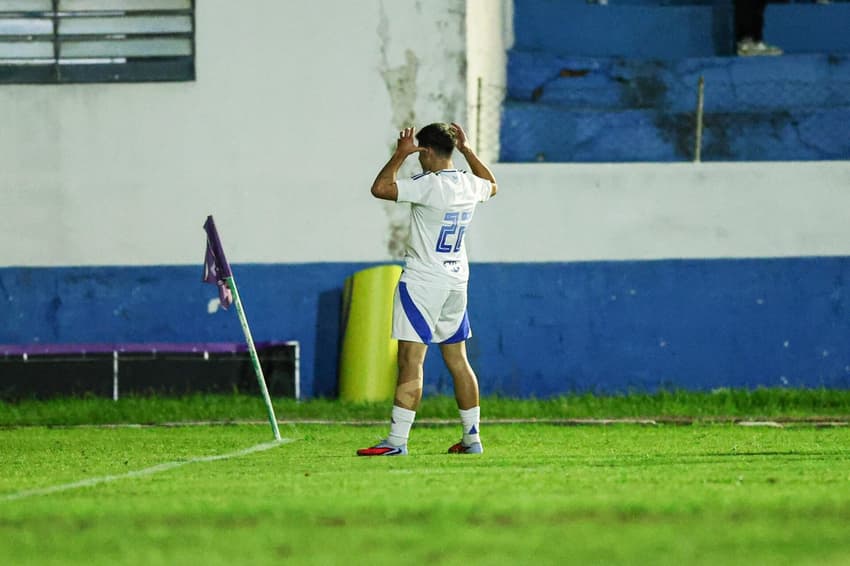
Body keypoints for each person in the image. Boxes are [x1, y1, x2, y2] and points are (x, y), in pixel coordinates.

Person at [357, 122, 498, 456]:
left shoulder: (428, 185)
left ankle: (396, 441)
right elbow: (493, 185)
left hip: (423, 282)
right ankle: (472, 438)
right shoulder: (469, 183)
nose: (419, 158)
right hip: (456, 281)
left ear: (430, 151)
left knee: (411, 360)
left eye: (421, 152)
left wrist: (399, 155)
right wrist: (468, 151)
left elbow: (380, 188)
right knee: (458, 360)